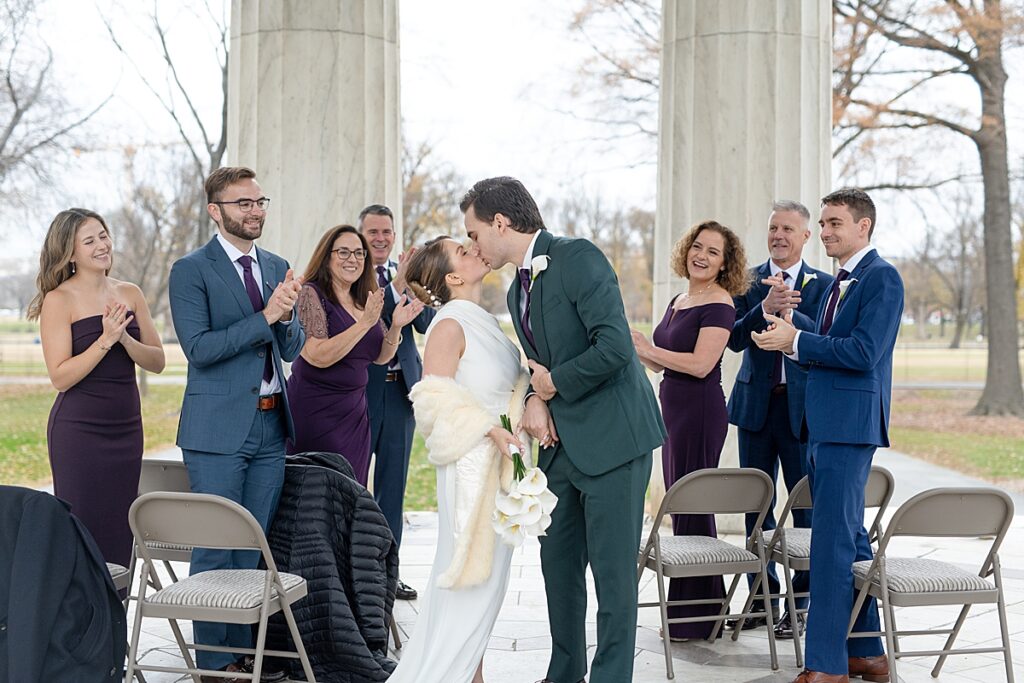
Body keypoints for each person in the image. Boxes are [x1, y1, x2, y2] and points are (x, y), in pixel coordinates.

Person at [463, 176, 665, 683]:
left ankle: (612, 676)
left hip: (615, 442)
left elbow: (616, 347)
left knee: (614, 576)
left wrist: (552, 386)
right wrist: (535, 395)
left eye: (474, 232)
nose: (472, 245)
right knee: (558, 570)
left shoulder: (578, 257)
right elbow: (537, 367)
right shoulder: (515, 292)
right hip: (558, 450)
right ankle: (565, 674)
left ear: (501, 223)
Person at [753, 188, 903, 683]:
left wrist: (796, 340)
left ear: (864, 227)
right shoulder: (843, 280)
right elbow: (834, 341)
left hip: (848, 427)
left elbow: (863, 352)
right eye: (823, 223)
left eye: (836, 223)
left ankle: (826, 665)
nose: (826, 231)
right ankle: (866, 653)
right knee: (852, 538)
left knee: (831, 544)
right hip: (825, 423)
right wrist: (797, 325)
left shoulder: (881, 278)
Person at [168, 166, 305, 683]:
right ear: (215, 210)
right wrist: (268, 316)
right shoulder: (191, 270)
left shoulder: (277, 265)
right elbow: (200, 350)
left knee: (253, 545)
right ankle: (213, 665)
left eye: (260, 201)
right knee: (215, 547)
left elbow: (290, 348)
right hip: (217, 431)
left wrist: (288, 318)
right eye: (243, 203)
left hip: (272, 427)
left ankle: (246, 657)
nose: (255, 211)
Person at [387, 236, 530, 683]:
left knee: (487, 584)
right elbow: (432, 400)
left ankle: (472, 676)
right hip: (472, 465)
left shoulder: (480, 318)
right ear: (452, 277)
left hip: (502, 459)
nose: (476, 250)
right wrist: (489, 429)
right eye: (463, 252)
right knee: (470, 576)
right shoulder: (448, 325)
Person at [631, 220, 749, 641]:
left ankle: (698, 616)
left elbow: (700, 365)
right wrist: (639, 349)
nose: (701, 255)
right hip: (672, 407)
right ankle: (702, 612)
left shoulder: (720, 304)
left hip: (699, 411)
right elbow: (664, 363)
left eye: (713, 251)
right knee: (682, 507)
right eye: (697, 246)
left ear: (724, 263)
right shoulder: (680, 298)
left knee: (693, 506)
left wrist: (649, 348)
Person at [30, 208, 164, 568]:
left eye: (103, 235)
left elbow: (157, 361)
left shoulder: (130, 293)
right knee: (82, 533)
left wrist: (125, 341)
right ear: (70, 253)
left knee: (121, 530)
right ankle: (81, 622)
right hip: (79, 433)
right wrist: (105, 340)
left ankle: (115, 620)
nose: (102, 245)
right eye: (89, 241)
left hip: (126, 429)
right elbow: (60, 377)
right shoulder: (59, 300)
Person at [725, 201, 833, 638]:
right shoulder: (745, 281)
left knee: (806, 507)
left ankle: (801, 605)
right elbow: (731, 338)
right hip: (755, 408)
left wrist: (792, 316)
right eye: (773, 228)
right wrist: (763, 305)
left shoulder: (824, 285)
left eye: (789, 228)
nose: (779, 235)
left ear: (806, 236)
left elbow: (827, 337)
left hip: (802, 410)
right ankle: (761, 600)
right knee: (757, 507)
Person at [286, 224, 423, 484]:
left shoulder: (363, 299)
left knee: (349, 497)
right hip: (315, 412)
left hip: (355, 416)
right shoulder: (310, 294)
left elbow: (381, 356)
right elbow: (317, 355)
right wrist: (363, 324)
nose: (353, 259)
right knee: (315, 498)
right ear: (326, 257)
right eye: (344, 252)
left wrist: (395, 326)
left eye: (359, 253)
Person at [360, 204, 436, 600]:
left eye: (386, 232)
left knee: (394, 489)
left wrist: (422, 286)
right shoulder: (353, 275)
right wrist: (397, 287)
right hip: (361, 394)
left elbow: (425, 324)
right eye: (373, 232)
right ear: (361, 235)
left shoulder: (404, 276)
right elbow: (371, 320)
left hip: (400, 393)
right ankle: (356, 576)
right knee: (355, 487)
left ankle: (389, 577)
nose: (380, 239)